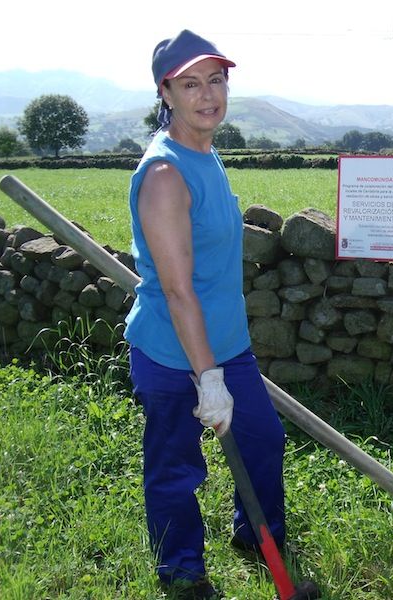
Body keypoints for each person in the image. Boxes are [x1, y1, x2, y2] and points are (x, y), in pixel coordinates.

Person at [125, 30, 286, 599]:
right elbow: (178, 291)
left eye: (215, 80)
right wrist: (209, 379)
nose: (207, 95)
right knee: (176, 467)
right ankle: (183, 571)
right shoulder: (166, 176)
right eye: (190, 84)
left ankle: (258, 536)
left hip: (225, 344)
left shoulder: (205, 149)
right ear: (165, 91)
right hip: (172, 354)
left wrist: (222, 364)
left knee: (263, 440)